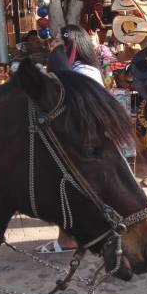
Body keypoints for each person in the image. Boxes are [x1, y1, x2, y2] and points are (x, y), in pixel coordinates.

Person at [37, 25, 105, 254]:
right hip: (74, 140)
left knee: (67, 191)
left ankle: (69, 240)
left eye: (59, 43)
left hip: (79, 142)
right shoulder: (77, 68)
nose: (54, 46)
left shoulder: (83, 71)